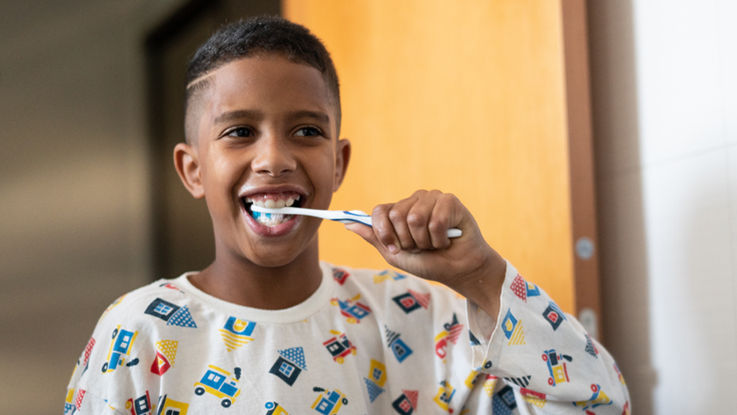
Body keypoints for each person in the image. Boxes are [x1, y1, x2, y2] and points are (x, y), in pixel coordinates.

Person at [65, 16, 629, 414]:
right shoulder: (139, 333)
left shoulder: (421, 316)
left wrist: (480, 276)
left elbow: (599, 405)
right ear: (192, 171)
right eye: (239, 132)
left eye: (306, 131)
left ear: (338, 164)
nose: (275, 158)